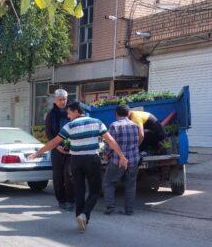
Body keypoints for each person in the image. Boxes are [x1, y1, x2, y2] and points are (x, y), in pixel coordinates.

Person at [28, 102, 128, 232]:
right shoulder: (97, 122)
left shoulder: (69, 126)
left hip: (75, 161)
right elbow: (110, 140)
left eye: (69, 113)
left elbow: (53, 142)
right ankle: (84, 214)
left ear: (76, 111)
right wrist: (121, 156)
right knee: (95, 191)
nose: (68, 116)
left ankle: (80, 219)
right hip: (92, 160)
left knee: (79, 192)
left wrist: (37, 153)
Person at [103, 104, 141, 216]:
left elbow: (110, 143)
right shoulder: (135, 125)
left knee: (108, 183)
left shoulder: (114, 125)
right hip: (133, 160)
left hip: (117, 161)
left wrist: (106, 154)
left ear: (116, 114)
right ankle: (129, 210)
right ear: (128, 114)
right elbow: (137, 141)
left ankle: (110, 207)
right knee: (130, 185)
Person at [45, 89, 74, 210]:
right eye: (60, 100)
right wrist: (57, 146)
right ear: (55, 100)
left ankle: (70, 200)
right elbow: (48, 133)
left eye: (65, 99)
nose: (63, 102)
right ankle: (61, 200)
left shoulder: (72, 112)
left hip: (71, 148)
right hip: (56, 148)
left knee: (69, 174)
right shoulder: (51, 115)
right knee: (58, 176)